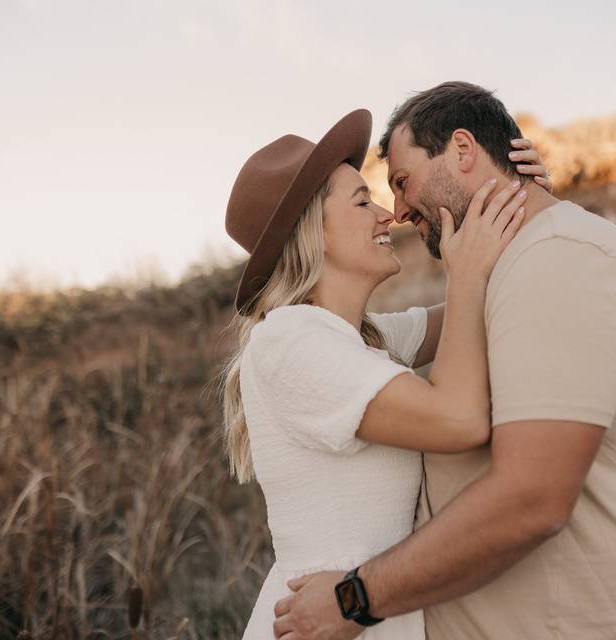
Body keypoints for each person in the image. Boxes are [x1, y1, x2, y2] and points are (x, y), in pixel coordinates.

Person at [273, 82, 616, 639]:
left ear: (464, 150)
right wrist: (515, 215)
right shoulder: (519, 270)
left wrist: (356, 599)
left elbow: (531, 498)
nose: (395, 211)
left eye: (401, 182)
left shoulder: (561, 261)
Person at [219, 108, 551, 639]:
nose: (387, 215)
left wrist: (522, 197)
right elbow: (459, 420)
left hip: (367, 613)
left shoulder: (359, 339)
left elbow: (486, 307)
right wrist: (466, 271)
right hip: (328, 620)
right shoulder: (291, 343)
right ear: (315, 232)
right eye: (361, 201)